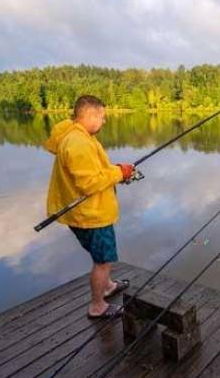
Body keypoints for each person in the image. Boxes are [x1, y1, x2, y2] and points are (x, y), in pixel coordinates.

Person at [44, 95, 134, 318]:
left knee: (101, 256)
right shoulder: (78, 143)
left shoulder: (79, 136)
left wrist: (118, 171)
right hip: (91, 215)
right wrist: (119, 173)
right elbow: (89, 183)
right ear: (91, 115)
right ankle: (97, 306)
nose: (104, 122)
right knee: (103, 261)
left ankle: (108, 286)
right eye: (102, 117)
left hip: (87, 212)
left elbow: (94, 170)